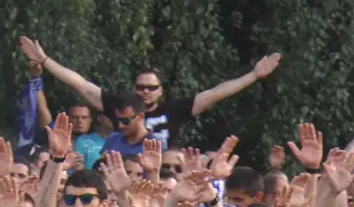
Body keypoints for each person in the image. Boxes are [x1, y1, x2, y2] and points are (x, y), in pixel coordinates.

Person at [18, 37, 281, 148]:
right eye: (140, 87)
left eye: (151, 87)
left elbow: (216, 93)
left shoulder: (174, 109)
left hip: (162, 176)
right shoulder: (119, 105)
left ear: (160, 90)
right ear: (133, 89)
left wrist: (253, 76)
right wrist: (45, 61)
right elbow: (81, 84)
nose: (145, 92)